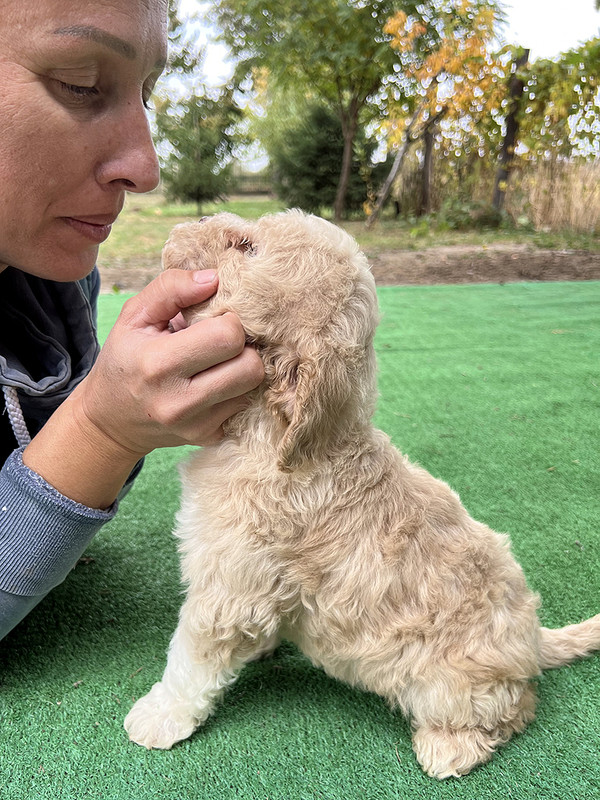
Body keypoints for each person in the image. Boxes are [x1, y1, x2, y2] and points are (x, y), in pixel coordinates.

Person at [0, 0, 265, 639]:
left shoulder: (53, 279)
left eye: (146, 91)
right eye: (81, 85)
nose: (144, 168)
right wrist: (99, 430)